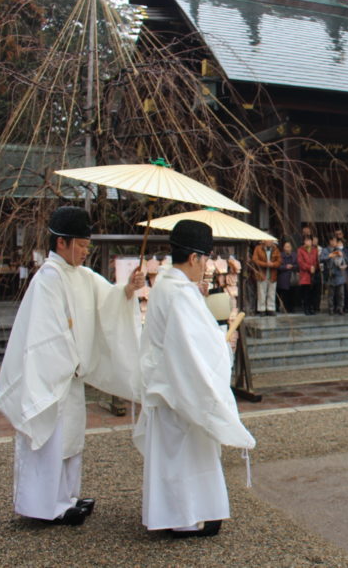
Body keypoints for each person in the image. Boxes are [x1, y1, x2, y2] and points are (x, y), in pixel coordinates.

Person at [0, 206, 144, 526]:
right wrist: (70, 358)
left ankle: (67, 496)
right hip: (51, 376)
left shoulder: (81, 275)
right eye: (81, 245)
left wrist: (129, 289)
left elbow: (109, 301)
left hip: (70, 375)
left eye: (87, 246)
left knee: (70, 438)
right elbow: (45, 335)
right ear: (61, 243)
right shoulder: (48, 278)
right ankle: (46, 504)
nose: (85, 252)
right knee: (50, 440)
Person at [133, 220, 255, 537]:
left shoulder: (169, 287)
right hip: (177, 388)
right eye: (205, 259)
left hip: (169, 384)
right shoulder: (179, 294)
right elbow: (192, 348)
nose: (206, 267)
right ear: (195, 258)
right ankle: (184, 519)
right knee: (182, 458)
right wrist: (222, 345)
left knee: (181, 456)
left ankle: (191, 513)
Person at [251, 239, 281, 316]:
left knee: (272, 292)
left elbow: (279, 261)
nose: (269, 242)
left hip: (272, 273)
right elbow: (255, 260)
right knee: (261, 292)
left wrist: (273, 264)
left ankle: (271, 309)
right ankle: (262, 309)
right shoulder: (258, 248)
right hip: (262, 273)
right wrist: (265, 264)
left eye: (271, 240)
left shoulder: (275, 249)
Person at [326, 237, 348, 315]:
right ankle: (331, 309)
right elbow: (321, 259)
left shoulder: (340, 250)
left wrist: (342, 257)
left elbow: (347, 260)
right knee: (331, 294)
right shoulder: (326, 250)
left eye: (335, 241)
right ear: (329, 241)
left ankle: (340, 308)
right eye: (332, 240)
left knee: (341, 294)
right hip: (331, 275)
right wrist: (330, 255)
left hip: (340, 274)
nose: (333, 242)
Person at [297, 236, 319, 315]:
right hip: (305, 274)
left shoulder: (314, 250)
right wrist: (309, 267)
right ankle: (306, 308)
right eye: (306, 240)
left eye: (309, 240)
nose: (308, 242)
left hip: (313, 274)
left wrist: (314, 267)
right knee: (306, 292)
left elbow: (316, 261)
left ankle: (312, 308)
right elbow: (300, 262)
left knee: (313, 292)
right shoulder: (300, 250)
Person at [277, 240, 298, 313]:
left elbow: (298, 265)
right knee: (285, 294)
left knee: (293, 293)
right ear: (283, 248)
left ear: (291, 248)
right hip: (283, 277)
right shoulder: (280, 255)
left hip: (292, 277)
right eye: (286, 247)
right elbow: (278, 266)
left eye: (289, 247)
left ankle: (292, 308)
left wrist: (292, 266)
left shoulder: (295, 255)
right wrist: (286, 267)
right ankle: (285, 308)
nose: (287, 248)